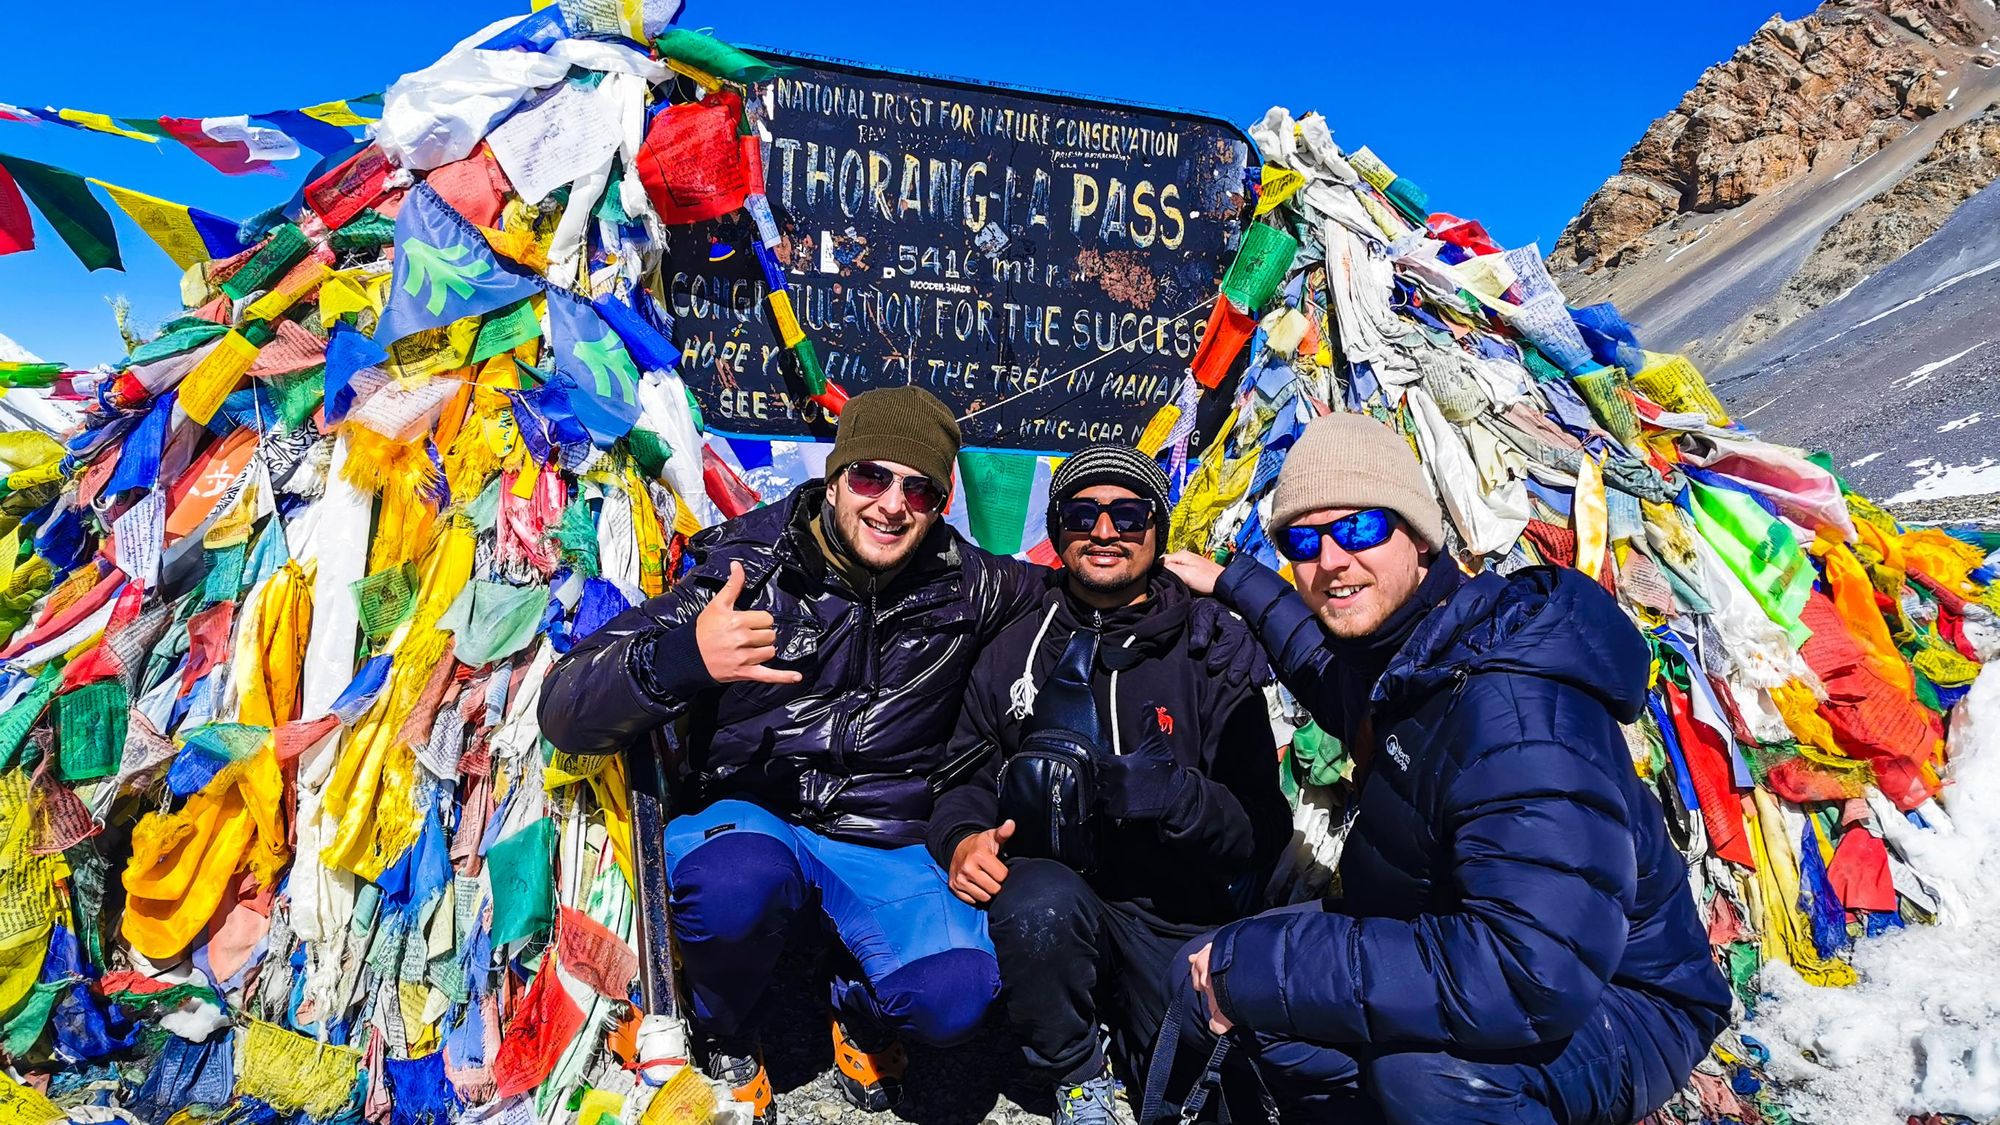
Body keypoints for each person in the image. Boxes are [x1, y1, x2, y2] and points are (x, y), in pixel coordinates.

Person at [1159, 412, 1732, 1124]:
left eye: (1360, 528)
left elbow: (1527, 973)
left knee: (1422, 1076)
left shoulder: (1515, 713)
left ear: (1421, 535)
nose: (1331, 559)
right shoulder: (1416, 658)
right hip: (1477, 942)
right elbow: (1321, 667)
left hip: (1620, 996)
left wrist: (1255, 964)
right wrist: (1231, 580)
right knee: (1245, 990)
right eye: (1304, 540)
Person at [539, 388, 1044, 1120]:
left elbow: (1086, 591)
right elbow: (564, 708)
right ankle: (727, 1029)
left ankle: (860, 1004)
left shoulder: (973, 584)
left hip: (883, 832)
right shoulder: (748, 568)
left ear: (939, 505)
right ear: (836, 476)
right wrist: (683, 658)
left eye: (919, 488)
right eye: (872, 475)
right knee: (733, 886)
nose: (891, 504)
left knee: (954, 995)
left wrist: (1221, 588)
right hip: (753, 815)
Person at [929, 445, 1290, 1125]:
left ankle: (1131, 1029)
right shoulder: (1017, 642)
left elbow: (1263, 830)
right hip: (1061, 890)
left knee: (1198, 1092)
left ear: (1158, 529)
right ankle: (1074, 1073)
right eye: (1081, 513)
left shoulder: (1211, 651)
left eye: (1128, 514)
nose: (1104, 531)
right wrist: (961, 836)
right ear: (1058, 527)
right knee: (1033, 902)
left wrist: (1178, 797)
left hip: (1180, 911)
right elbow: (963, 773)